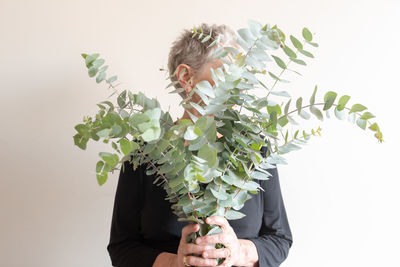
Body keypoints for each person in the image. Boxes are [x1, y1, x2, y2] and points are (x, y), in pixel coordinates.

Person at [107, 23, 293, 267]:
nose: (240, 86)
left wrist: (238, 252)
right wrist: (175, 262)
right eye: (228, 73)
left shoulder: (254, 149)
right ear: (186, 77)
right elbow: (122, 248)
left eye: (242, 75)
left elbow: (280, 239)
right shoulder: (145, 152)